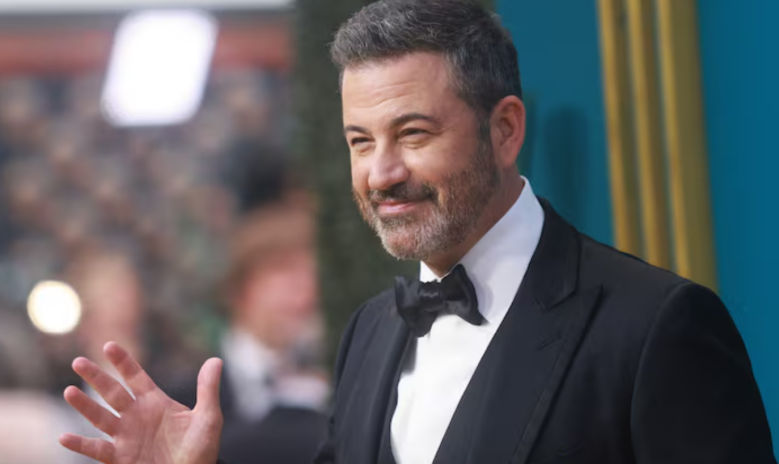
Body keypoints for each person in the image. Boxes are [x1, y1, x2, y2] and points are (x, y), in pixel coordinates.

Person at [58, 1, 777, 463]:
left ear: (505, 130)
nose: (382, 172)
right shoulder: (370, 332)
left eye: (413, 134)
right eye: (360, 142)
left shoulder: (655, 327)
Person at [167, 197, 329, 464]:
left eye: (313, 270)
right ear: (239, 290)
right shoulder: (183, 401)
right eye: (283, 269)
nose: (306, 285)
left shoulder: (345, 385)